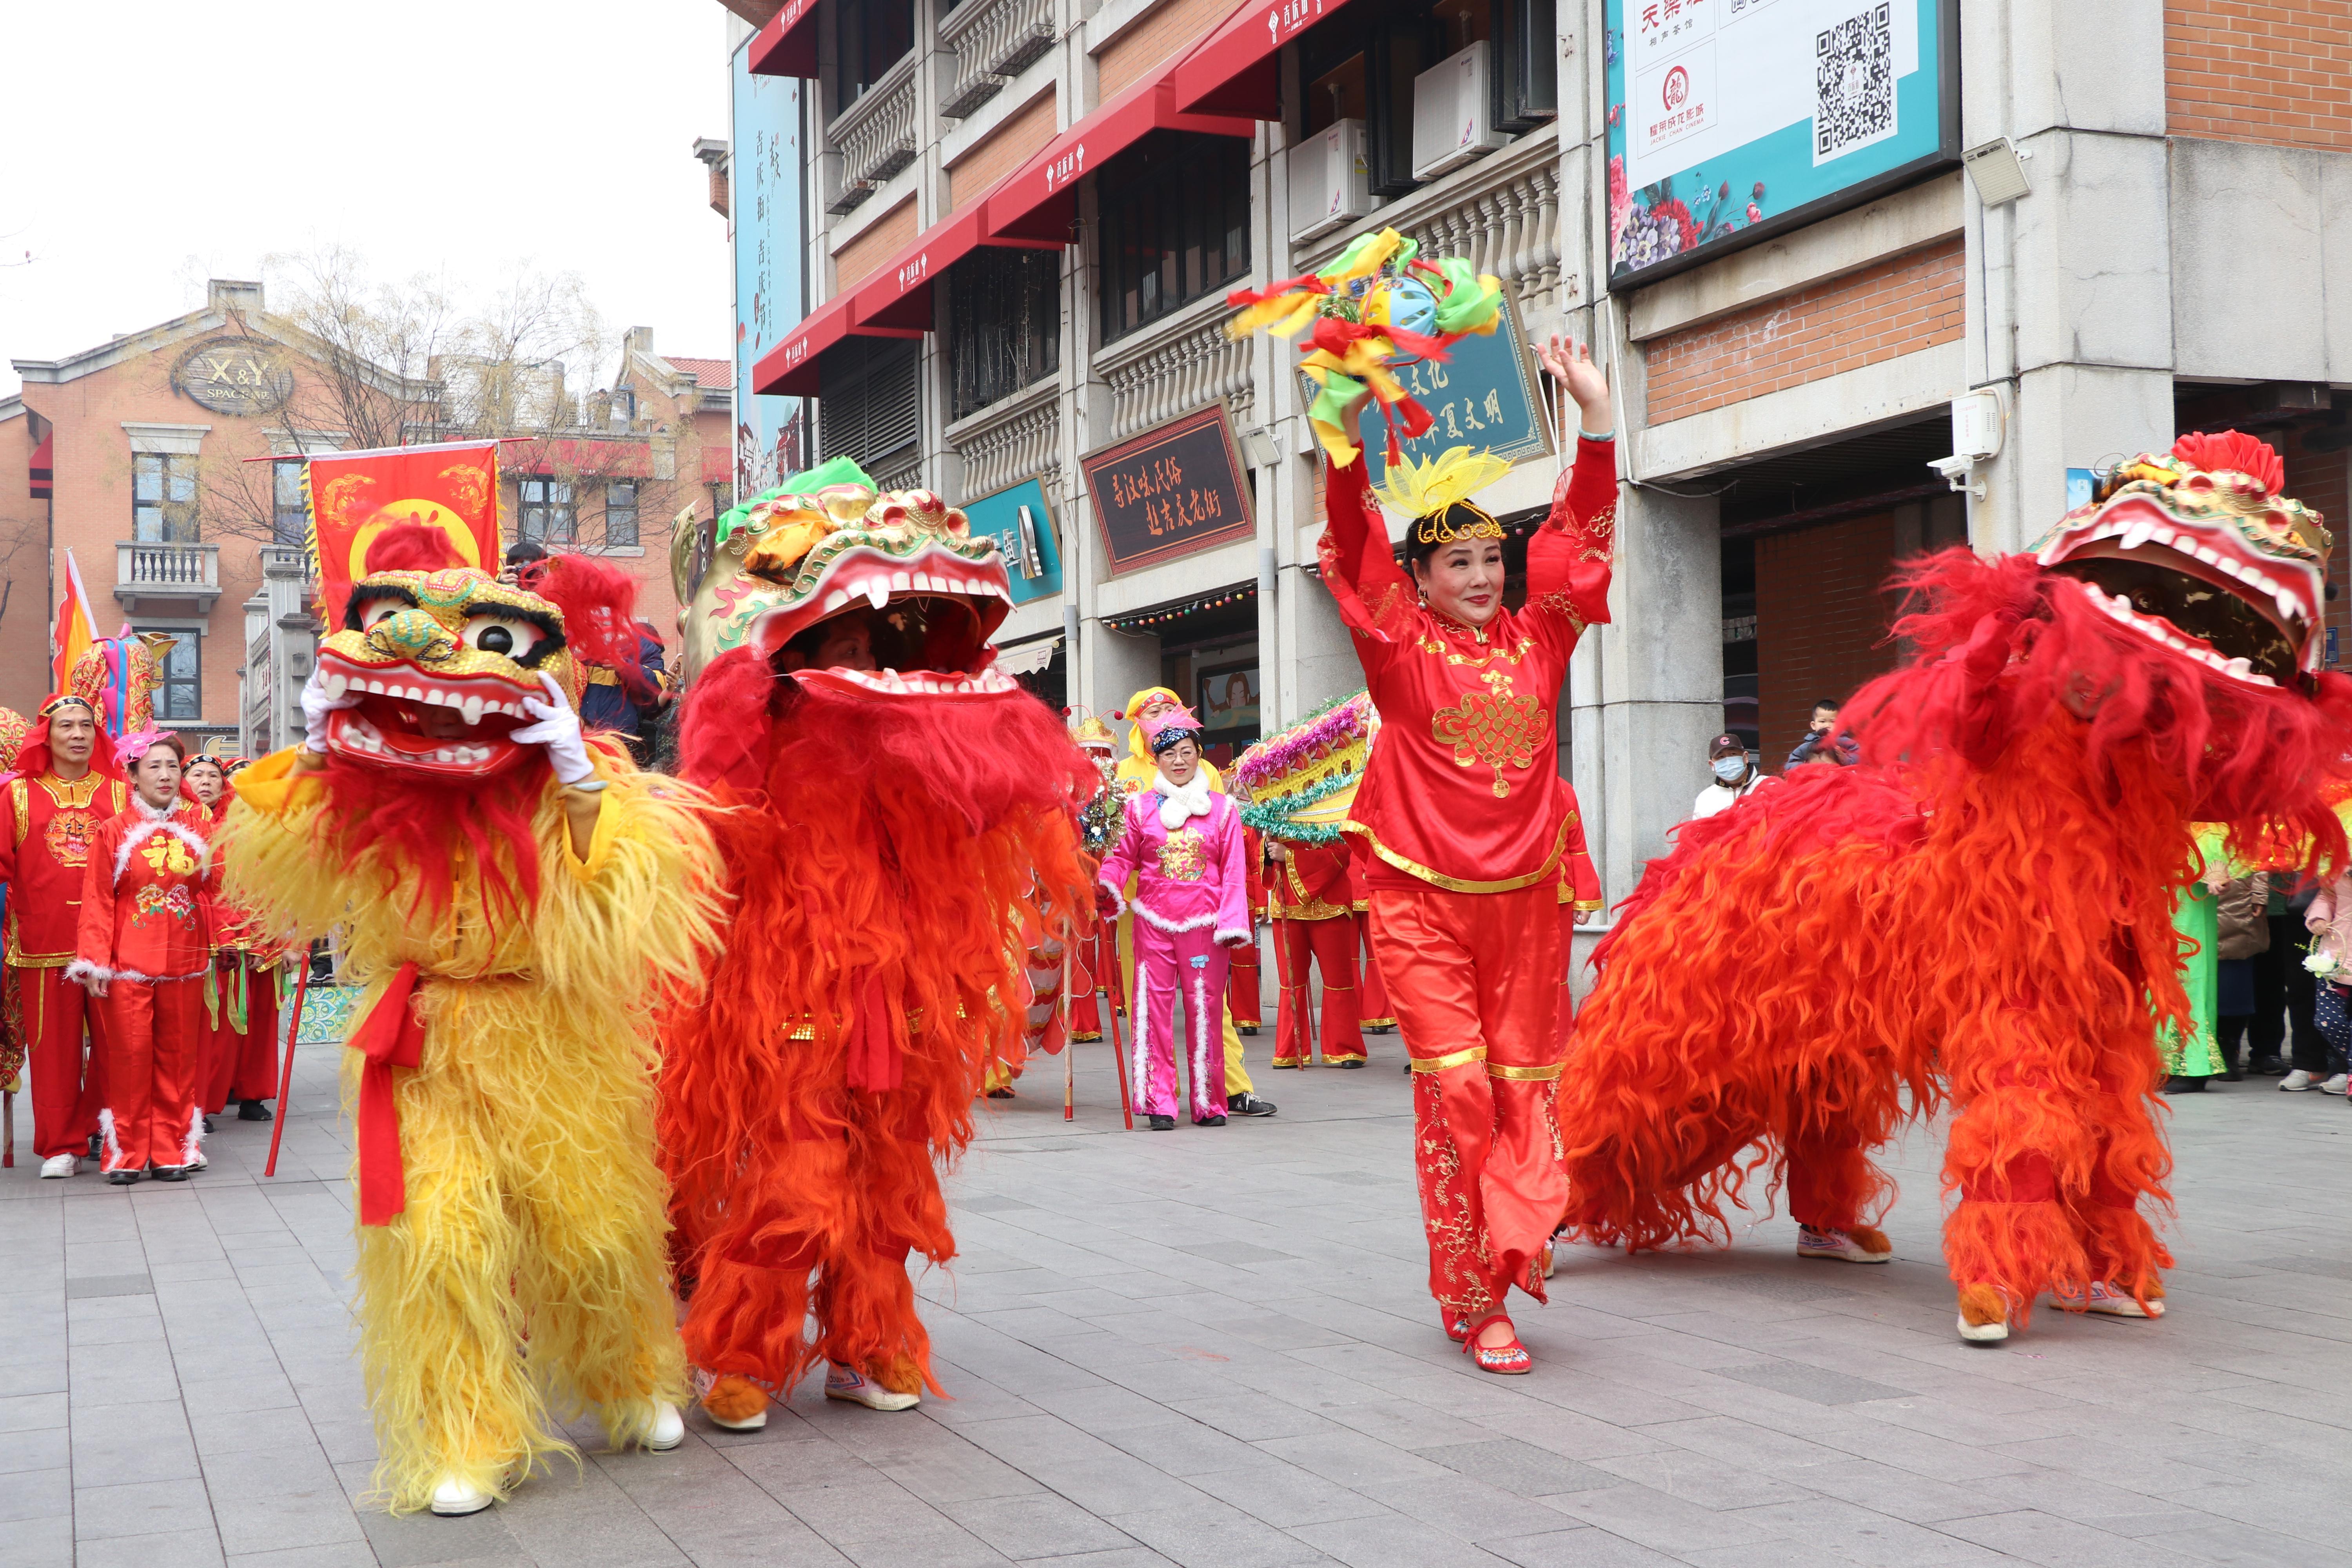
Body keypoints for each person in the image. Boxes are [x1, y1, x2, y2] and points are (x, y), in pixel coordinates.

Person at [223, 524, 720, 1514]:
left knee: (594, 1233)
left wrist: (578, 778)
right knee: (439, 1239)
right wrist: (317, 752)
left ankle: (628, 1376)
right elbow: (284, 863)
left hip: (555, 1033)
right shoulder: (367, 793)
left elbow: (625, 901)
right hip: (423, 1041)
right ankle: (463, 1430)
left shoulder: (584, 778)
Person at [1318, 334, 1618, 1373]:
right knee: (1458, 1094)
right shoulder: (1399, 648)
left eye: (1494, 558)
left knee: (1525, 1092)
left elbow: (1582, 534)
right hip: (1422, 903)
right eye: (1460, 562)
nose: (1485, 576)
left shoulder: (1543, 640)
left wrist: (1597, 417)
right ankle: (1474, 1299)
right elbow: (1353, 534)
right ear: (1421, 579)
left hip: (1528, 908)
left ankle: (1512, 1246)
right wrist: (1344, 435)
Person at [1115, 686, 1275, 1117]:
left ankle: (1228, 1090)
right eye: (1155, 711)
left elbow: (1228, 855)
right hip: (1142, 911)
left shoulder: (1208, 779)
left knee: (1209, 1007)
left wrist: (1232, 919)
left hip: (1202, 916)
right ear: (1139, 724)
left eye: (1171, 708)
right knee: (1148, 1006)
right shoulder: (1123, 778)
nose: (1165, 716)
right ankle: (1158, 1095)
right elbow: (1118, 848)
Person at [68, 732, 214, 1184]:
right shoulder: (113, 831)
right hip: (128, 966)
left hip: (186, 965)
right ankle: (126, 1153)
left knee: (178, 1062)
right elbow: (97, 900)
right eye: (153, 766)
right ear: (132, 775)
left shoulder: (201, 830)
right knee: (128, 1061)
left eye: (172, 766)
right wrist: (94, 961)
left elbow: (223, 892)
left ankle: (172, 1150)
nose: (166, 775)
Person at [0, 694, 130, 1177]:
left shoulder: (120, 793)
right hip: (42, 941)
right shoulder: (15, 795)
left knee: (119, 1046)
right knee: (52, 1051)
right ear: (46, 736)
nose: (77, 734)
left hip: (113, 945)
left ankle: (115, 1131)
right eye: (66, 726)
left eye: (86, 725)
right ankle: (60, 1144)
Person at [186, 751, 280, 1128]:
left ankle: (249, 1094)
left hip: (247, 937)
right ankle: (200, 1103)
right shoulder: (178, 824)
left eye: (214, 775)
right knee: (209, 1028)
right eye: (197, 774)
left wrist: (282, 940)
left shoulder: (249, 830)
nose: (206, 781)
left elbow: (272, 888)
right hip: (197, 938)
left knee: (248, 1025)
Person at [1265, 833, 1367, 1067]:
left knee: (1338, 980)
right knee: (1291, 982)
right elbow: (1262, 855)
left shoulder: (1331, 801)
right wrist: (1269, 847)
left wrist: (1290, 857)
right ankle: (1291, 1048)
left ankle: (1345, 1048)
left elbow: (1341, 851)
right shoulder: (1278, 802)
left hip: (1331, 900)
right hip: (1287, 902)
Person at [2297, 871, 2352, 1094]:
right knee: (2328, 1021)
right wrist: (2319, 918)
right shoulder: (2337, 863)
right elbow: (2327, 895)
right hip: (2336, 954)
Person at [2212, 869, 2269, 1080]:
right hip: (2189, 891)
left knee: (2234, 983)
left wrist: (2260, 894)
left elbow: (2261, 854)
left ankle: (2229, 1051)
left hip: (2237, 893)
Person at [1692, 734, 1769, 820]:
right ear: (1712, 764)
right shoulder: (1705, 798)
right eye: (1721, 757)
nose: (1728, 761)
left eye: (1733, 754)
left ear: (1746, 757)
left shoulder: (1769, 785)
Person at [1784, 699, 1859, 769]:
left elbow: (1860, 756)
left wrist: (1846, 759)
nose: (1827, 725)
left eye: (1833, 722)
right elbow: (1791, 763)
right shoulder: (1808, 746)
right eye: (1823, 722)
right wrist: (1806, 767)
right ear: (1814, 725)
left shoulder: (1845, 742)